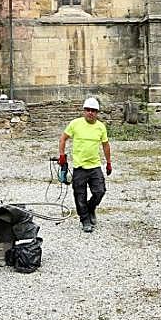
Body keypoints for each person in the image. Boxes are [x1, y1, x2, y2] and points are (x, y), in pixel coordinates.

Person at [58, 96, 112, 233]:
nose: (90, 113)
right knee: (79, 195)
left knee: (100, 191)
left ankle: (91, 208)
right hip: (79, 167)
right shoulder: (75, 124)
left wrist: (108, 163)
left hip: (94, 166)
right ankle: (85, 220)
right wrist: (62, 155)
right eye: (88, 110)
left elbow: (105, 145)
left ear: (97, 112)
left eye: (93, 110)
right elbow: (63, 138)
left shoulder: (101, 127)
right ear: (84, 111)